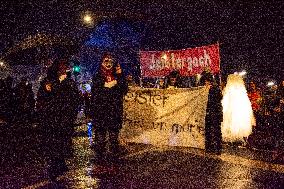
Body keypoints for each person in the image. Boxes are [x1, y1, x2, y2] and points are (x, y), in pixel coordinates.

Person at [90, 53, 128, 167]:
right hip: (101, 112)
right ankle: (100, 159)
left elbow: (124, 90)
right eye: (106, 61)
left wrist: (120, 76)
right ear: (102, 63)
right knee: (100, 139)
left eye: (110, 62)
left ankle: (114, 158)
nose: (108, 64)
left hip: (114, 112)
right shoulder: (97, 76)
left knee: (113, 138)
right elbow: (97, 92)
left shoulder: (118, 77)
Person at [222, 74, 254, 146]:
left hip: (234, 113)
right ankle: (238, 140)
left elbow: (225, 103)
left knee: (233, 124)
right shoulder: (240, 92)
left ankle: (235, 140)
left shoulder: (231, 92)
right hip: (236, 113)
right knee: (236, 125)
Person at [200, 72, 223, 154]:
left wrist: (210, 90)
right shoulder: (210, 88)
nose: (205, 83)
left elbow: (217, 99)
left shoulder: (215, 88)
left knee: (216, 131)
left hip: (215, 113)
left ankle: (217, 148)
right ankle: (210, 147)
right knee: (209, 130)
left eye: (205, 81)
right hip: (211, 113)